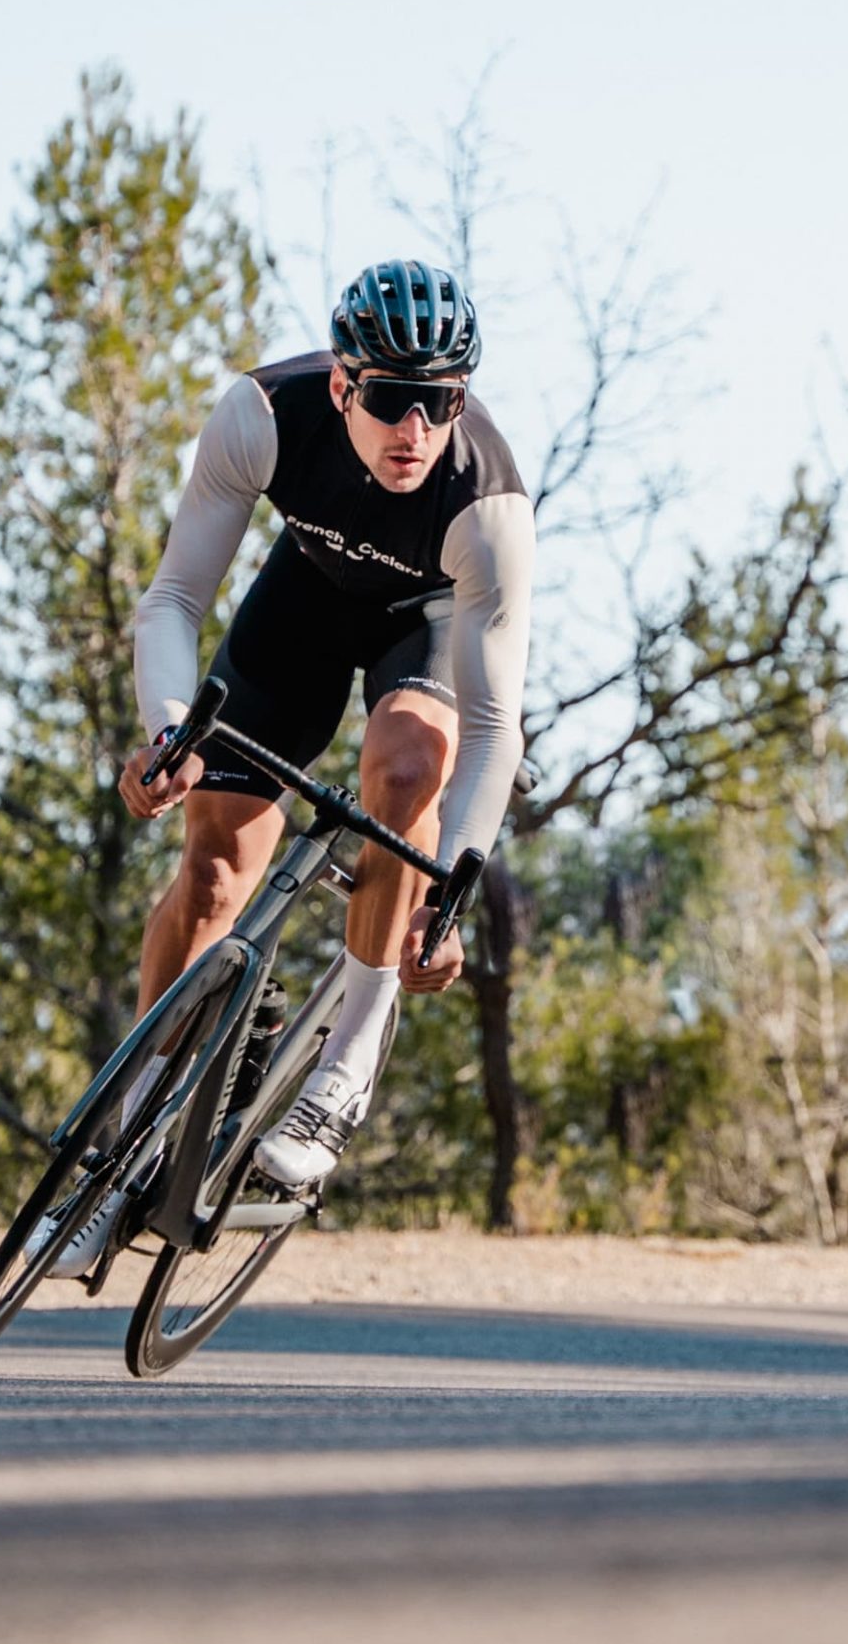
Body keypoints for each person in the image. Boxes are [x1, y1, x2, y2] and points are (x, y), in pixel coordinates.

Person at [37, 260, 534, 1278]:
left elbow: (493, 726)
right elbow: (175, 598)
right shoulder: (263, 415)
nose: (416, 430)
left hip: (423, 631)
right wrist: (170, 734)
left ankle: (341, 1069)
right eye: (393, 399)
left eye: (441, 401)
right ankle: (121, 1150)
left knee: (403, 770)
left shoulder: (486, 506)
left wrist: (453, 895)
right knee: (214, 872)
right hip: (301, 603)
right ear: (345, 384)